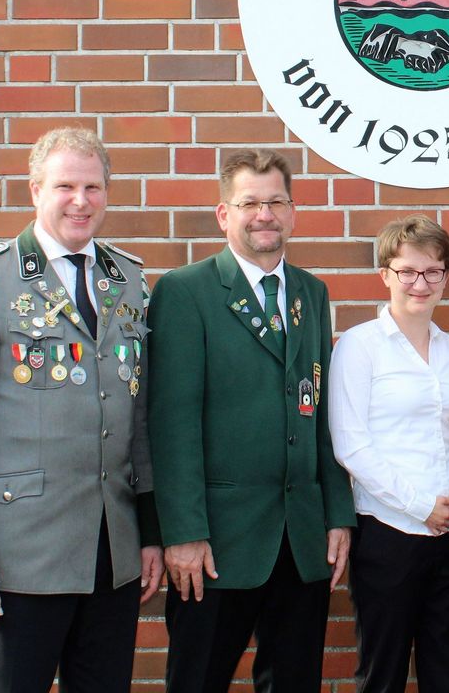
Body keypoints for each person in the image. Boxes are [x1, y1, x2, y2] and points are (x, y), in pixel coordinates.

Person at [0, 126, 163, 692]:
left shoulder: (127, 281)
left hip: (112, 557)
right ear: (35, 190)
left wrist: (150, 532)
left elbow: (140, 422)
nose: (80, 201)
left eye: (93, 187)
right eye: (64, 187)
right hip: (17, 561)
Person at [147, 148, 356, 692]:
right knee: (199, 680)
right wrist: (184, 532)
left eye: (275, 202)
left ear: (292, 212)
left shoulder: (311, 293)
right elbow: (172, 426)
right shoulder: (185, 292)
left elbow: (323, 414)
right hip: (219, 541)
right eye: (249, 203)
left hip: (301, 535)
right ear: (224, 214)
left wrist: (337, 515)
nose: (263, 214)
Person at [329, 215, 449, 693]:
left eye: (433, 271)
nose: (421, 283)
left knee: (446, 671)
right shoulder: (359, 347)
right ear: (385, 275)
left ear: (445, 278)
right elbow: (352, 445)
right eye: (407, 271)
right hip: (389, 534)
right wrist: (422, 506)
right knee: (383, 674)